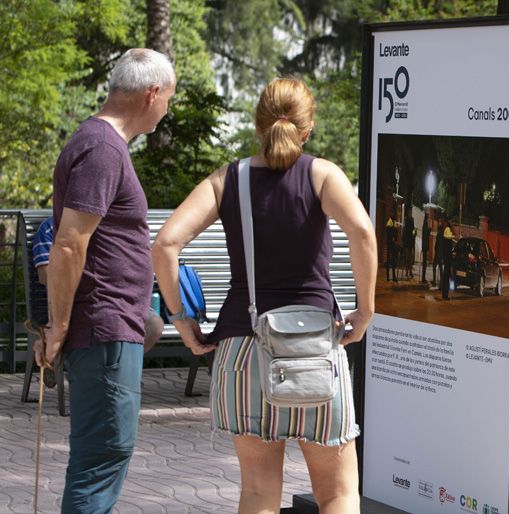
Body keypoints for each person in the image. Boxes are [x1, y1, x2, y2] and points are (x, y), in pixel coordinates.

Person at [152, 77, 376, 514]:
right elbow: (362, 232)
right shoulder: (323, 175)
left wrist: (182, 321)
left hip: (242, 352)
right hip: (314, 349)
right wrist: (364, 311)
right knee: (337, 492)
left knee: (257, 492)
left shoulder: (226, 180)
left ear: (258, 125)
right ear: (307, 129)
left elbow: (164, 244)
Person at [33, 48, 175, 513]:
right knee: (102, 459)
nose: (167, 109)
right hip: (104, 331)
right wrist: (56, 327)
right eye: (168, 99)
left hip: (109, 329)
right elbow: (69, 243)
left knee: (99, 459)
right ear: (151, 93)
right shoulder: (102, 148)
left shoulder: (98, 143)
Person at [33, 216, 164, 353]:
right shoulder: (51, 227)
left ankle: (120, 367)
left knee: (154, 324)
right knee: (108, 321)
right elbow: (45, 275)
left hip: (119, 298)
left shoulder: (108, 226)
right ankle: (100, 369)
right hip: (76, 302)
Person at [439, 218, 455, 300]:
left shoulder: (447, 230)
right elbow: (449, 243)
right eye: (452, 222)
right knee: (446, 276)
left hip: (446, 257)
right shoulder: (448, 230)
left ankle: (445, 294)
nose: (453, 224)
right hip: (447, 257)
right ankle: (445, 295)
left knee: (446, 276)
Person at [402, 211, 416, 279]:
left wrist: (414, 233)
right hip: (408, 243)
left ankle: (409, 272)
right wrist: (404, 240)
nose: (411, 215)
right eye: (410, 213)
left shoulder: (411, 222)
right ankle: (407, 272)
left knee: (410, 258)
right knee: (408, 258)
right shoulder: (406, 222)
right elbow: (404, 232)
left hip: (410, 242)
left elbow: (413, 231)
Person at [385, 214, 399, 282]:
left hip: (393, 244)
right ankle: (388, 277)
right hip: (390, 244)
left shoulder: (394, 222)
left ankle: (393, 276)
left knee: (393, 261)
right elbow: (388, 232)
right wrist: (392, 239)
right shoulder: (389, 222)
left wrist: (396, 239)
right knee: (389, 261)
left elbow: (396, 232)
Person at [420, 213, 430, 284]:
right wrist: (429, 230)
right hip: (425, 246)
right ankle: (423, 278)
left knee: (424, 263)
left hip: (424, 246)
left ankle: (423, 278)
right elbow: (426, 236)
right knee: (424, 263)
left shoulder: (424, 224)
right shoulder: (425, 225)